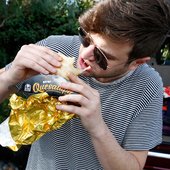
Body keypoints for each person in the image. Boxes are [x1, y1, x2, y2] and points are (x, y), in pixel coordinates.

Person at [0, 0, 170, 169]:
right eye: (85, 37)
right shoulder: (54, 48)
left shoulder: (147, 86)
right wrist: (9, 77)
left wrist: (97, 128)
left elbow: (133, 166)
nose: (85, 54)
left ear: (137, 62)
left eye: (101, 56)